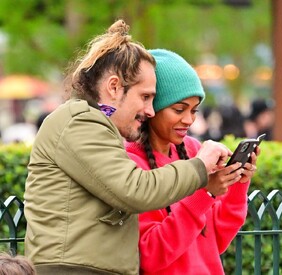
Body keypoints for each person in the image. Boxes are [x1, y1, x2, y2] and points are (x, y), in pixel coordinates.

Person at [24, 20, 232, 275]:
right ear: (113, 87)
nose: (149, 110)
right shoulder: (80, 122)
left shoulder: (95, 123)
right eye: (145, 97)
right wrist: (200, 168)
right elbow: (135, 189)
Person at [125, 49, 259, 274]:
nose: (188, 120)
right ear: (151, 107)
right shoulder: (131, 163)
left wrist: (236, 184)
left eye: (194, 110)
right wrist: (204, 194)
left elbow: (217, 239)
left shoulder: (194, 150)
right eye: (179, 109)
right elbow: (150, 255)